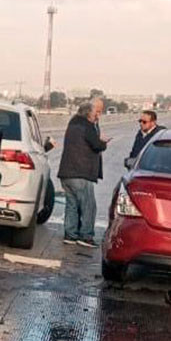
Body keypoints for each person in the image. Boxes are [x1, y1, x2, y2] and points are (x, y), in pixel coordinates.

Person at [58, 101, 110, 248]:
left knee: (72, 205)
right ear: (88, 113)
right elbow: (97, 145)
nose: (96, 116)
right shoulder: (87, 126)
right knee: (88, 206)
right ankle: (86, 236)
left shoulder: (72, 123)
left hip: (66, 173)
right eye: (95, 113)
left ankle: (70, 235)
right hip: (81, 173)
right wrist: (104, 142)